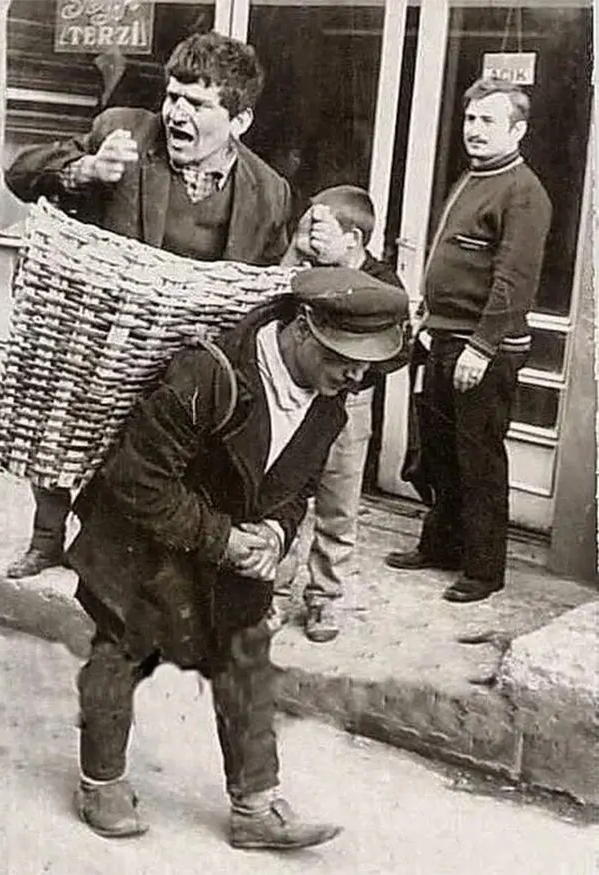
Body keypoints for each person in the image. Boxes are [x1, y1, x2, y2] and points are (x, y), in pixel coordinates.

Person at [66, 266, 409, 851]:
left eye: (366, 364)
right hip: (144, 536)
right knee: (120, 650)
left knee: (246, 658)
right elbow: (137, 480)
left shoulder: (330, 402)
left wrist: (276, 534)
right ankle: (101, 781)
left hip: (236, 546)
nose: (356, 374)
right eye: (342, 357)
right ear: (304, 327)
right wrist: (223, 540)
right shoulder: (212, 373)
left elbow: (297, 488)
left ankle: (255, 807)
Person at [3, 32, 303, 579]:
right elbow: (20, 173)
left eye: (197, 104)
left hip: (188, 352)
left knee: (143, 456)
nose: (175, 114)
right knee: (61, 426)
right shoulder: (122, 130)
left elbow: (264, 287)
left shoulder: (270, 191)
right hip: (103, 333)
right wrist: (84, 170)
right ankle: (46, 537)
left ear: (240, 121)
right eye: (172, 97)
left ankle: (111, 549)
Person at [385, 78, 552, 603]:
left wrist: (481, 348)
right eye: (470, 119)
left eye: (488, 121)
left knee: (478, 459)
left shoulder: (523, 192)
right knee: (441, 453)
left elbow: (514, 283)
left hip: (483, 349)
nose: (474, 130)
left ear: (518, 130)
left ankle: (484, 571)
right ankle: (440, 546)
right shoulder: (476, 176)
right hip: (445, 338)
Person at [277, 186, 405, 642]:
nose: (310, 234)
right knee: (283, 491)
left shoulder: (383, 284)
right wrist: (295, 251)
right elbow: (269, 302)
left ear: (353, 237)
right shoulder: (309, 272)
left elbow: (396, 349)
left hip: (349, 404)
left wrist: (351, 377)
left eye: (320, 227)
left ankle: (324, 599)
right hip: (300, 396)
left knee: (338, 504)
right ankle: (272, 593)